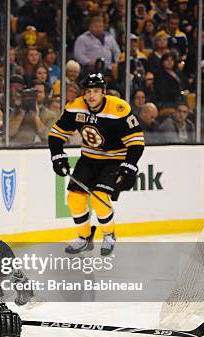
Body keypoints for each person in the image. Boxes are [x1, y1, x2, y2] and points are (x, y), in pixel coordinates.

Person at [48, 73, 144, 255]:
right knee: (74, 199)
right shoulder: (75, 107)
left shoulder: (119, 108)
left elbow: (136, 141)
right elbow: (56, 134)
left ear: (103, 92)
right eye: (89, 91)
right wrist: (58, 156)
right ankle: (84, 237)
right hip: (89, 158)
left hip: (114, 160)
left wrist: (129, 166)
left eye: (96, 91)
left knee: (99, 198)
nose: (92, 95)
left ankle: (109, 234)